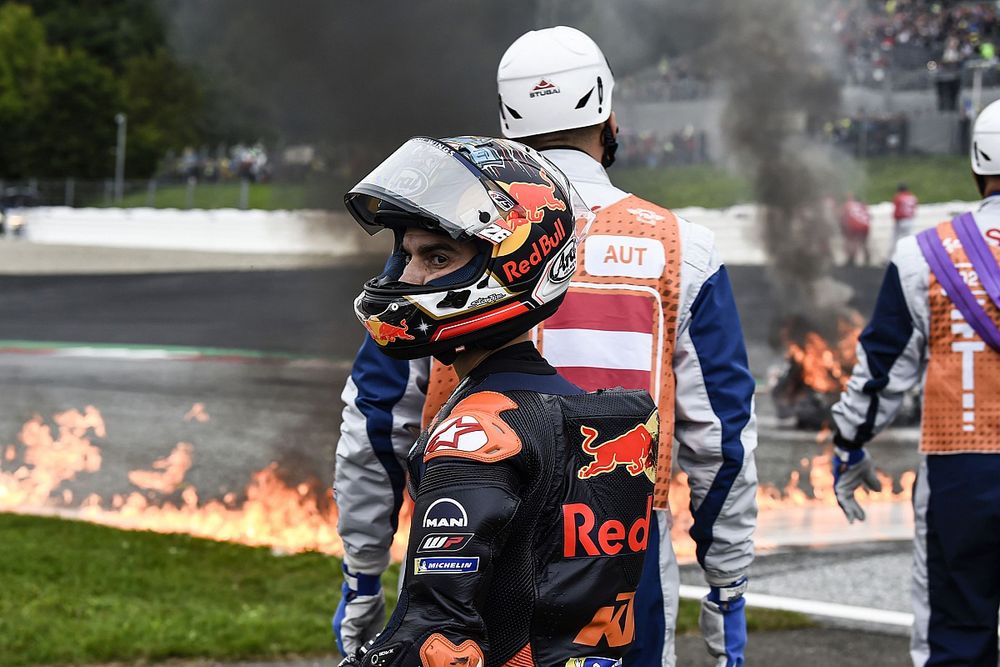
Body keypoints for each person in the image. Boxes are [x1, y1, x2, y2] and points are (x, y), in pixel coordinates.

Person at [334, 27, 759, 667]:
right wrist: (727, 586)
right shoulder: (683, 249)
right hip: (624, 549)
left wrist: (363, 576)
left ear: (505, 124)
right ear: (609, 120)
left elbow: (374, 428)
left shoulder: (448, 238)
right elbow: (721, 440)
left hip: (463, 537)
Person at [338, 135, 660, 666]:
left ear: (510, 267)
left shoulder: (477, 437)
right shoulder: (607, 422)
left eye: (436, 258)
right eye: (406, 255)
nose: (408, 277)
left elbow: (440, 645)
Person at [831, 99, 1000, 666]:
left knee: (953, 641)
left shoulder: (923, 255)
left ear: (977, 166)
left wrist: (849, 446)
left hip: (961, 468)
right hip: (960, 468)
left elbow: (880, 372)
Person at [841, 192, 871, 267]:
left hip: (854, 225)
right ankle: (867, 258)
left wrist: (844, 228)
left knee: (852, 242)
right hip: (865, 225)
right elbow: (869, 215)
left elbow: (843, 216)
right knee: (863, 242)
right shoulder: (863, 205)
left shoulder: (848, 204)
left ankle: (851, 258)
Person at [892, 183, 919, 249]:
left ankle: (893, 256)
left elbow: (897, 211)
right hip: (910, 220)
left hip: (900, 220)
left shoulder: (898, 197)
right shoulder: (913, 197)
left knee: (896, 239)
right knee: (908, 238)